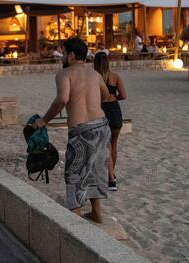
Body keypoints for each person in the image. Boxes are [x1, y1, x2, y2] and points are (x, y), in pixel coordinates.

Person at [34, 37, 111, 223]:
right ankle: (96, 212)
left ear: (71, 54)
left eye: (63, 52)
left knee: (74, 173)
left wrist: (44, 120)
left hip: (80, 130)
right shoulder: (95, 75)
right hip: (101, 126)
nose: (61, 56)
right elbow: (106, 94)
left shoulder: (64, 73)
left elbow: (62, 98)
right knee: (96, 169)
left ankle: (75, 218)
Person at [93, 52, 127, 191]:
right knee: (114, 144)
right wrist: (113, 98)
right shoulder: (115, 76)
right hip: (115, 111)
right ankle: (112, 174)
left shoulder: (94, 77)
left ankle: (111, 180)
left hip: (103, 111)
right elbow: (123, 96)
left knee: (106, 146)